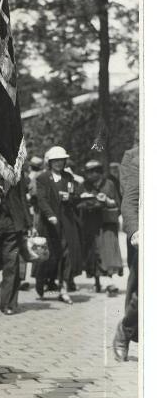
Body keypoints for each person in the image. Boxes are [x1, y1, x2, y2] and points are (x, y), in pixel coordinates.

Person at [34, 146, 83, 304]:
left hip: (67, 223)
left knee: (67, 255)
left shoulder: (69, 177)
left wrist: (70, 197)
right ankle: (40, 281)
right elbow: (41, 200)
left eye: (61, 160)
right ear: (50, 162)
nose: (58, 163)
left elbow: (76, 196)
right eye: (55, 161)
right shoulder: (42, 178)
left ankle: (63, 289)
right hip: (49, 224)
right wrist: (50, 215)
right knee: (49, 255)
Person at [0, 169, 32, 315]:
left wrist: (28, 222)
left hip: (12, 224)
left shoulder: (16, 168)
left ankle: (8, 304)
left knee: (11, 264)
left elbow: (22, 196)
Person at [78, 160, 122, 294]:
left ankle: (110, 282)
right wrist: (84, 200)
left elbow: (118, 204)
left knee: (108, 252)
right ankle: (97, 282)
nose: (91, 174)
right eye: (89, 172)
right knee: (93, 252)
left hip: (107, 223)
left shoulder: (109, 184)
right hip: (90, 224)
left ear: (100, 172)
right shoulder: (83, 185)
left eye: (95, 171)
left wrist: (107, 200)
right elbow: (77, 204)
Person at [113, 146, 139, 362]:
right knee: (143, 295)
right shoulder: (139, 158)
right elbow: (129, 201)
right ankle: (126, 329)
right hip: (147, 234)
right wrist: (136, 231)